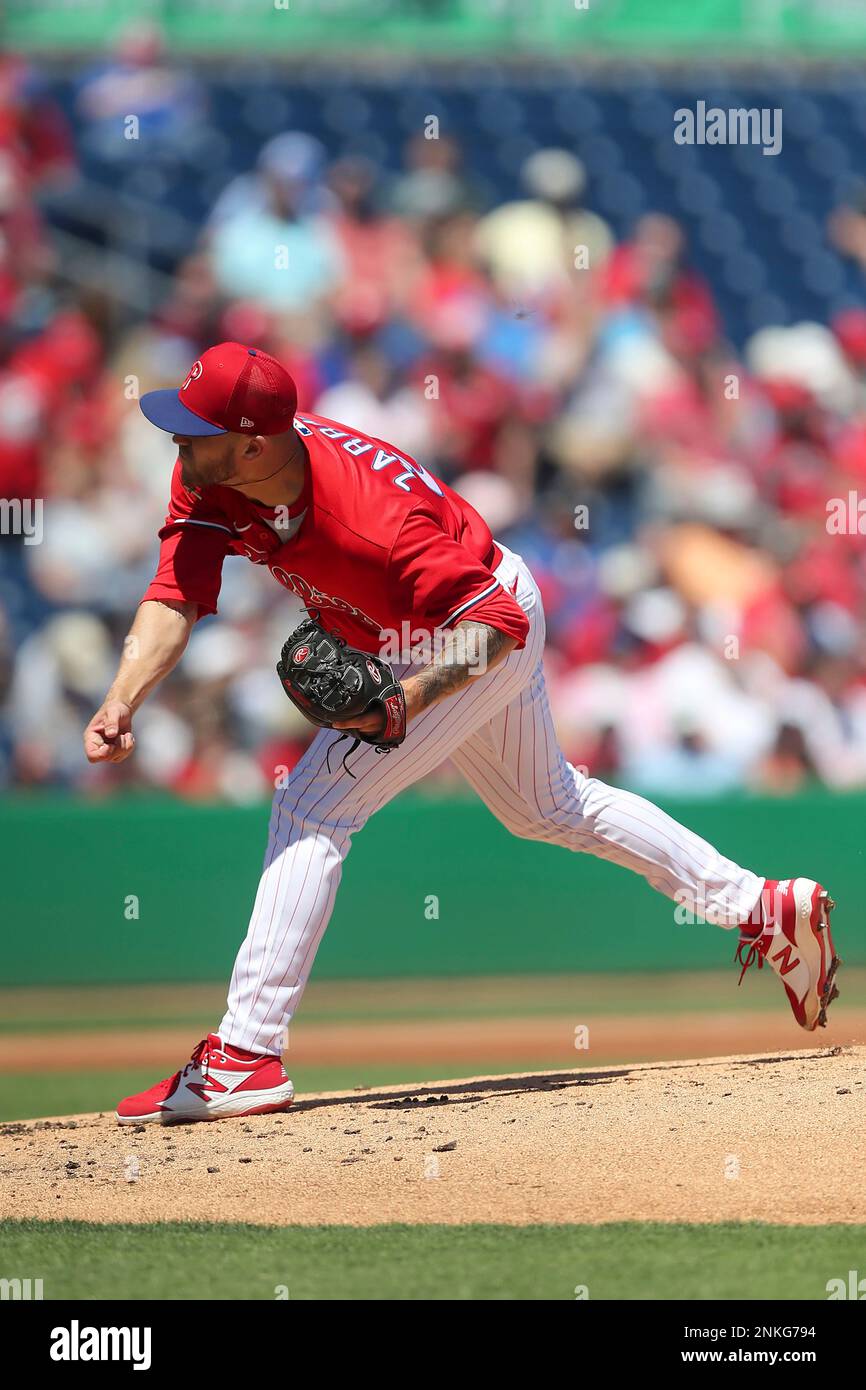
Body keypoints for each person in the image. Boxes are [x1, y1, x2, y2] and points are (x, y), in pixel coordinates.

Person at [83, 342, 841, 1125]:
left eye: (195, 429)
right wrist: (121, 697)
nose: (178, 441)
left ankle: (246, 1053)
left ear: (252, 443)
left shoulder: (375, 517)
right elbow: (175, 592)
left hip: (467, 630)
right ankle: (763, 905)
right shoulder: (212, 472)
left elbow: (497, 623)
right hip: (421, 626)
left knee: (312, 805)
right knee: (548, 807)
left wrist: (405, 702)